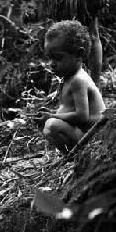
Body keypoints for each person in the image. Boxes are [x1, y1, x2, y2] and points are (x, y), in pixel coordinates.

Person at [34, 20, 105, 154]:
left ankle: (76, 155)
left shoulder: (78, 80)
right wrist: (50, 114)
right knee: (46, 122)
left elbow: (82, 117)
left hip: (94, 137)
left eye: (57, 58)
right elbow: (69, 109)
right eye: (49, 58)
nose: (52, 64)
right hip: (83, 134)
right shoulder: (69, 78)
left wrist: (51, 116)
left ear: (79, 54)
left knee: (52, 125)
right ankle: (72, 154)